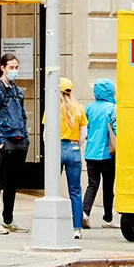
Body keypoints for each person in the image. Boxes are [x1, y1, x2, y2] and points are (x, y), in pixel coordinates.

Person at [0, 53, 30, 234]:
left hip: (19, 140)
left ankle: (8, 219)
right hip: (5, 139)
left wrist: (25, 138)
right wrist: (0, 140)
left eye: (16, 67)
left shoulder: (18, 91)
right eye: (11, 67)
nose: (14, 71)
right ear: (2, 67)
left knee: (12, 182)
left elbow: (23, 116)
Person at [43, 78, 88, 238]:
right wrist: (75, 145)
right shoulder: (79, 108)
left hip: (57, 148)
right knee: (75, 190)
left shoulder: (52, 108)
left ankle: (50, 225)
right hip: (74, 148)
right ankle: (77, 228)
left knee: (52, 190)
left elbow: (46, 133)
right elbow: (84, 133)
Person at [83, 78, 119, 230]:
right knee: (108, 187)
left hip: (91, 152)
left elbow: (86, 129)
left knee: (92, 184)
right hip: (107, 154)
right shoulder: (113, 108)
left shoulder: (89, 108)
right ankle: (108, 218)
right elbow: (116, 129)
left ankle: (85, 213)